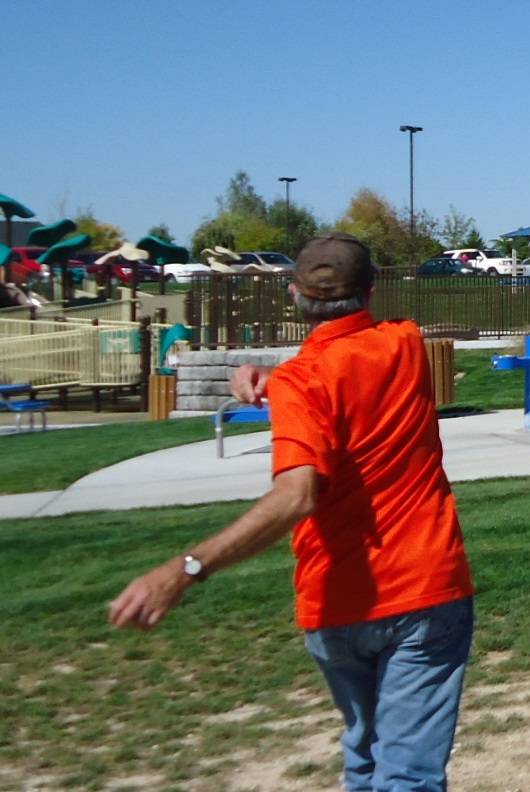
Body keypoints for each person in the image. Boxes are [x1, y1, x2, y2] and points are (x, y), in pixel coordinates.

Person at [108, 232, 474, 792]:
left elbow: (300, 486)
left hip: (336, 605)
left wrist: (185, 569)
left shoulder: (304, 383)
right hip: (426, 589)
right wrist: (279, 385)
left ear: (293, 294)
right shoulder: (403, 343)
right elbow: (349, 384)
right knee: (407, 775)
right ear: (372, 290)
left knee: (367, 761)